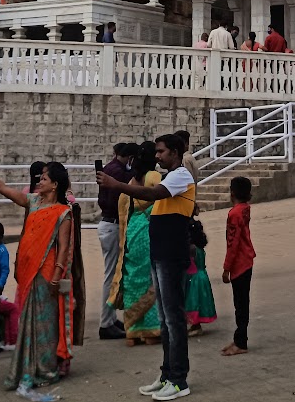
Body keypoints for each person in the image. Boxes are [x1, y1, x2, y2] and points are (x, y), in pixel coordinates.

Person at [98, 134, 195, 402]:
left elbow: (153, 194)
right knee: (165, 320)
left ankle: (179, 379)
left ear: (175, 152)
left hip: (171, 256)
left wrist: (116, 184)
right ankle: (167, 374)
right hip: (160, 254)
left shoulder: (181, 176)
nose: (158, 156)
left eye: (162, 152)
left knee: (174, 320)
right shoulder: (169, 176)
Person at [0, 156, 84, 400]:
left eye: (45, 178)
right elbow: (5, 190)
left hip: (46, 273)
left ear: (55, 185)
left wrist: (57, 276)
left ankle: (46, 369)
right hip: (29, 273)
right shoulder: (33, 202)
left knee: (44, 324)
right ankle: (27, 368)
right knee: (28, 322)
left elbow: (63, 248)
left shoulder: (63, 213)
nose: (40, 181)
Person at [107, 141, 161, 347]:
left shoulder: (130, 180)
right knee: (150, 279)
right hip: (149, 230)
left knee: (132, 277)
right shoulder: (154, 177)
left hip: (132, 232)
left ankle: (132, 331)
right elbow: (162, 197)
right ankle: (151, 331)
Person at [96, 142, 135, 339]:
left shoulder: (110, 169)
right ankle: (105, 322)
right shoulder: (120, 174)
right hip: (112, 224)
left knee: (112, 274)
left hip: (107, 223)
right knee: (111, 276)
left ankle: (109, 318)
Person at [221, 177, 254, 356]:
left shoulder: (234, 214)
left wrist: (226, 268)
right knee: (242, 304)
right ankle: (239, 338)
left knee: (240, 305)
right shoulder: (244, 210)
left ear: (232, 193)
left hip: (240, 263)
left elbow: (232, 244)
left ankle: (241, 342)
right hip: (246, 260)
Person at [183, 221, 217, 335]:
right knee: (201, 300)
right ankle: (195, 325)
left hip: (194, 278)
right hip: (202, 275)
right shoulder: (200, 247)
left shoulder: (191, 248)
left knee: (193, 301)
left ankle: (196, 326)